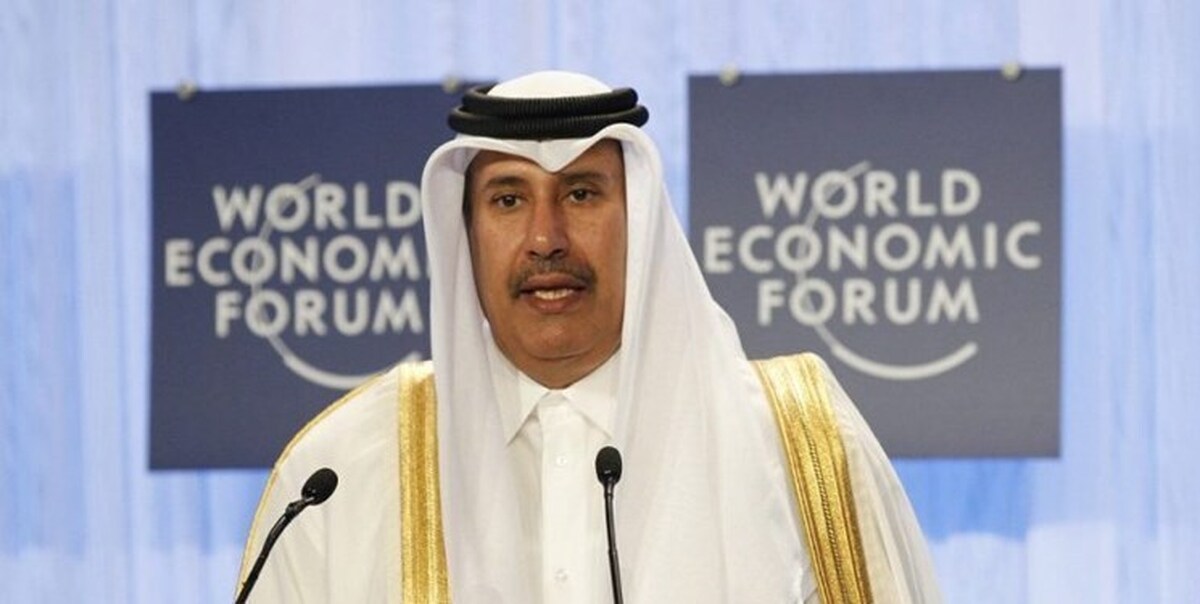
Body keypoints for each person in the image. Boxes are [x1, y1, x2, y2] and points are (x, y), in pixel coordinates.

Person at [237, 71, 941, 603]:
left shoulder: (798, 443)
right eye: (508, 199)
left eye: (581, 193)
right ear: (466, 233)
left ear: (642, 221)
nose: (546, 238)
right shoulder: (343, 470)